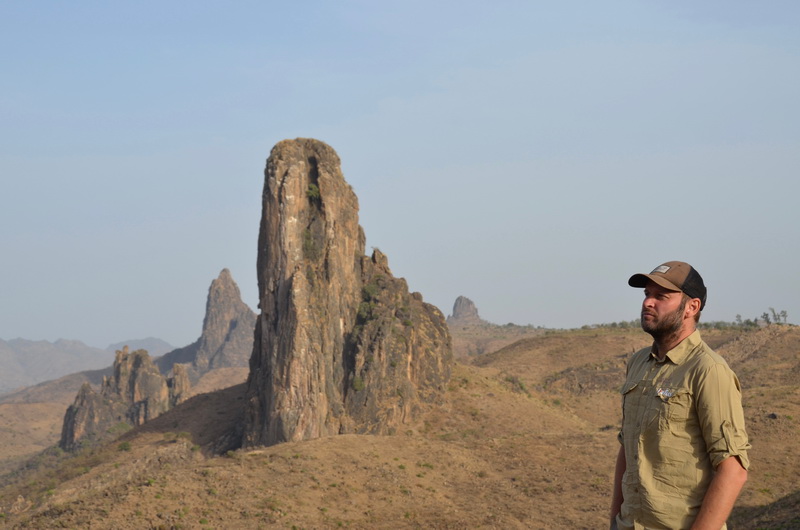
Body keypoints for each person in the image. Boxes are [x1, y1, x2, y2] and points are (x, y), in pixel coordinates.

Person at [610, 261, 750, 530]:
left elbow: (733, 470)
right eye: (647, 294)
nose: (648, 303)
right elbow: (627, 449)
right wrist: (615, 520)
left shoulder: (708, 370)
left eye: (661, 296)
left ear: (691, 307)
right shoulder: (639, 362)